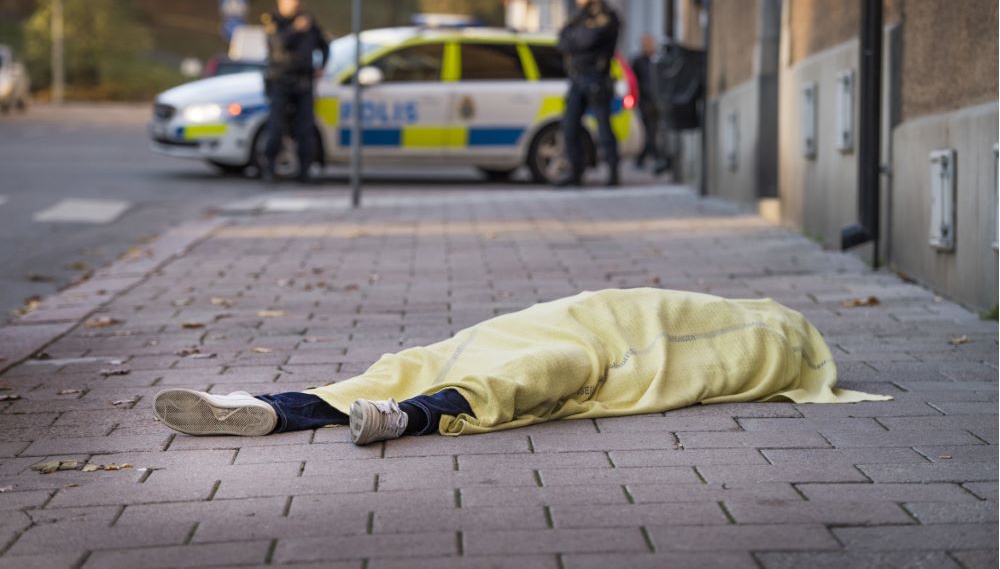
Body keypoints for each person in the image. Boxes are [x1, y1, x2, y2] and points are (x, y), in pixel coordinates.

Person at [153, 288, 890, 445]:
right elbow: (659, 327)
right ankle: (308, 408)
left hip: (573, 326)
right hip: (591, 327)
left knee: (423, 363)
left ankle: (283, 404)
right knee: (531, 369)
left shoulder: (772, 328)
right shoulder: (774, 330)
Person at [555, 0, 622, 187]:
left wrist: (576, 39)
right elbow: (562, 41)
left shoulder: (606, 16)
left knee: (604, 128)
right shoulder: (578, 16)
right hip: (577, 78)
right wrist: (577, 39)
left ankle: (612, 173)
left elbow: (586, 40)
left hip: (596, 78)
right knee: (570, 127)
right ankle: (575, 172)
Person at [260, 0, 329, 184]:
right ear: (281, 0)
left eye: (298, 0)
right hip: (280, 82)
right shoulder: (273, 20)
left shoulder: (309, 21)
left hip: (304, 83)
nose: (295, 5)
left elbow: (324, 45)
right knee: (276, 128)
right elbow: (279, 44)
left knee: (305, 130)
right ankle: (269, 169)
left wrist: (322, 65)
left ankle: (304, 171)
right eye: (291, 0)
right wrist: (295, 29)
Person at [630, 33, 666, 173]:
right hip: (645, 101)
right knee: (650, 131)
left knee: (653, 131)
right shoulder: (638, 61)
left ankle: (645, 157)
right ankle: (656, 157)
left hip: (657, 100)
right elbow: (634, 82)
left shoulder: (658, 60)